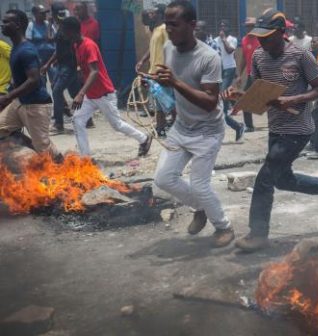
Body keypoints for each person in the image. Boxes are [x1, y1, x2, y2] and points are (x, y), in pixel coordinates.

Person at [223, 10, 318, 252]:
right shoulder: (258, 56)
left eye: (267, 37)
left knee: (265, 178)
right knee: (282, 179)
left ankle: (258, 234)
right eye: (259, 37)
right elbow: (258, 92)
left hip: (298, 128)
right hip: (276, 127)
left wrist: (292, 100)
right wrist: (239, 97)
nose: (262, 42)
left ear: (281, 33)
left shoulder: (301, 56)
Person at [152, 1, 234, 248]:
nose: (169, 29)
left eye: (174, 24)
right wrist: (162, 82)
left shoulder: (209, 57)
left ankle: (224, 226)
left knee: (199, 184)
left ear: (192, 25)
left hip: (207, 131)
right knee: (163, 178)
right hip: (182, 127)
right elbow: (174, 83)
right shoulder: (168, 47)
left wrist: (175, 82)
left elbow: (210, 102)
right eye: (166, 24)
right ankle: (199, 208)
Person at [61, 17, 152, 157]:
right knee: (77, 120)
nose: (63, 35)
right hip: (91, 95)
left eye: (64, 32)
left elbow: (95, 71)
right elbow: (83, 66)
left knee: (117, 125)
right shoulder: (76, 45)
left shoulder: (88, 45)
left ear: (71, 31)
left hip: (104, 94)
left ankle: (144, 138)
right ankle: (86, 157)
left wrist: (80, 93)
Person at [0, 9, 60, 160]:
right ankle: (33, 147)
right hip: (20, 103)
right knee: (2, 128)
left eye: (7, 22)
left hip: (36, 105)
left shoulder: (26, 50)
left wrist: (7, 98)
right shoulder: (16, 47)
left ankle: (66, 171)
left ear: (18, 25)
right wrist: (9, 92)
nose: (3, 24)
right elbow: (19, 78)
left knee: (45, 150)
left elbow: (34, 80)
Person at [40, 6, 82, 134]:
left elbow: (50, 39)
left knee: (57, 91)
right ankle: (87, 119)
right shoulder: (61, 28)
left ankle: (59, 124)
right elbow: (57, 49)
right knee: (73, 91)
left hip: (68, 66)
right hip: (63, 65)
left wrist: (51, 22)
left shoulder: (65, 28)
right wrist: (48, 64)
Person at [136, 4, 170, 137]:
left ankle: (174, 127)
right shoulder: (155, 30)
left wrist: (167, 70)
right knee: (159, 103)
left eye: (153, 13)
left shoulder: (164, 29)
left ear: (161, 15)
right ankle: (160, 128)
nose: (151, 15)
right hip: (153, 72)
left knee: (167, 102)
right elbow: (152, 49)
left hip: (161, 72)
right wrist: (142, 61)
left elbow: (169, 49)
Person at [215, 22, 245, 142]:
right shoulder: (215, 40)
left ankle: (233, 124)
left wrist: (223, 39)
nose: (222, 28)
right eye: (221, 26)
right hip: (218, 70)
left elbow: (229, 51)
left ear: (228, 28)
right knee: (220, 103)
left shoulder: (232, 39)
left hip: (229, 69)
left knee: (222, 98)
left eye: (225, 26)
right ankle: (237, 126)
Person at [236, 17, 258, 131]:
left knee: (269, 100)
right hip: (251, 75)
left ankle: (277, 124)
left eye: (252, 26)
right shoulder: (244, 40)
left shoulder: (262, 39)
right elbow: (244, 58)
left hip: (262, 75)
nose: (249, 28)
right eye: (248, 26)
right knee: (244, 99)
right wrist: (240, 74)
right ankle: (249, 126)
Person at [26, 5, 55, 80]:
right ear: (35, 14)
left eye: (45, 13)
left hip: (51, 57)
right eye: (42, 13)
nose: (44, 15)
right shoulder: (31, 25)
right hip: (39, 58)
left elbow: (56, 38)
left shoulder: (49, 24)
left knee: (55, 80)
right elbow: (28, 43)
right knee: (42, 81)